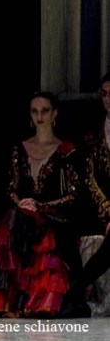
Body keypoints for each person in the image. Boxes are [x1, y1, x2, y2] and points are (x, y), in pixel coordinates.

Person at [0, 91, 84, 318]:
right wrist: (23, 202)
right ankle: (4, 301)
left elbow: (74, 194)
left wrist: (40, 206)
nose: (39, 116)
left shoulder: (66, 150)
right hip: (24, 213)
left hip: (54, 215)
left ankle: (34, 301)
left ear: (55, 113)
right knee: (14, 221)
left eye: (44, 110)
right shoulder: (20, 148)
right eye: (35, 111)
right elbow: (10, 188)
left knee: (31, 227)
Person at [61, 71, 110, 315]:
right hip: (103, 208)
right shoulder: (95, 132)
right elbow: (90, 178)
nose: (108, 99)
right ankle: (75, 293)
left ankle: (75, 292)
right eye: (105, 94)